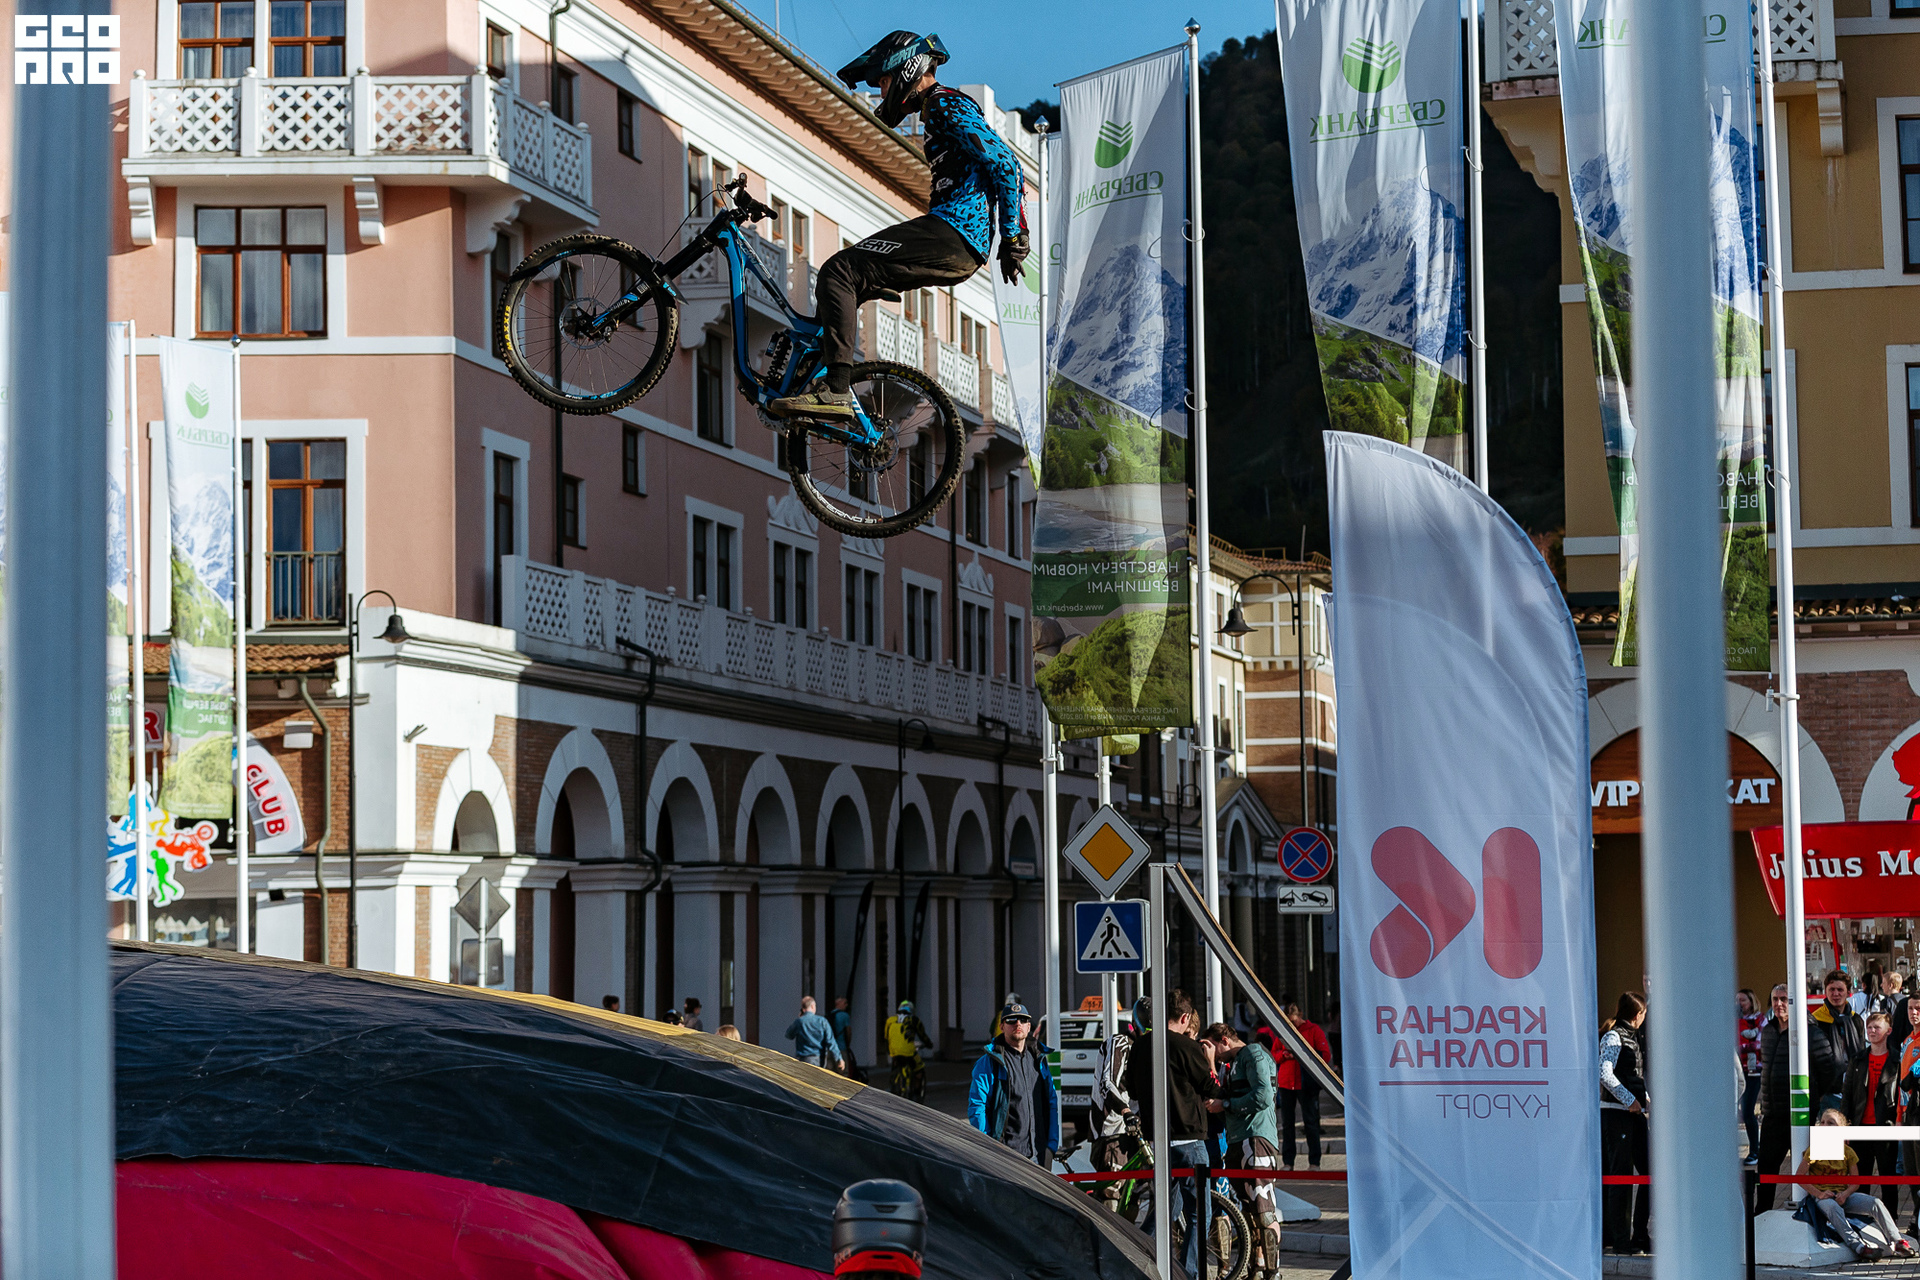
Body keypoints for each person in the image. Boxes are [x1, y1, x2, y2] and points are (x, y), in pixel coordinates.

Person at [770, 32, 1027, 420]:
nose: (882, 92)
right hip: (958, 240)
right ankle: (817, 379)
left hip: (953, 233)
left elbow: (1006, 164)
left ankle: (835, 390)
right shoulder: (940, 108)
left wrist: (1013, 236)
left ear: (907, 69)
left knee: (838, 271)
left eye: (884, 82)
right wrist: (1009, 236)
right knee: (844, 283)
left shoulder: (944, 104)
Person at [1124, 988, 1224, 1279]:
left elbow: (1132, 1090)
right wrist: (1211, 1060)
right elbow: (1211, 1088)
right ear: (1184, 1018)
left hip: (1159, 1141)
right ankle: (1189, 1274)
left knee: (1165, 1210)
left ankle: (1135, 1261)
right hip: (1189, 1140)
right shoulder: (1186, 1046)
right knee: (1198, 1214)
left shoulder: (1140, 1046)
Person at [1204, 1023, 1282, 1280]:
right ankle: (1256, 1268)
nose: (1216, 1055)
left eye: (1214, 1047)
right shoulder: (1235, 1063)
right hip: (1238, 1139)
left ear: (1224, 1040)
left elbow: (1263, 1095)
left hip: (1256, 1137)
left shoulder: (1253, 1053)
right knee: (1248, 1211)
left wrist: (1226, 1104)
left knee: (1263, 1210)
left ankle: (1273, 1272)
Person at [1797, 1109, 1914, 1260]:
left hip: (1843, 1195)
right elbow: (1800, 1176)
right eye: (1823, 1122)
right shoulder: (1814, 1149)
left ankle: (1897, 1241)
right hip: (1823, 1198)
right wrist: (1819, 1194)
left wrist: (1845, 1194)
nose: (1825, 1125)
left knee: (1875, 1203)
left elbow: (1856, 1181)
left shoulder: (1848, 1152)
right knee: (1832, 1207)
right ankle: (1858, 1246)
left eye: (1831, 1123)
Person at [967, 1001, 1057, 1167]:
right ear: (1002, 1026)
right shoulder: (989, 1063)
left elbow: (1051, 1103)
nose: (1018, 1024)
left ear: (1029, 1027)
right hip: (1006, 1156)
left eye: (1023, 1020)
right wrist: (988, 1145)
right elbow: (977, 1107)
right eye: (1011, 1020)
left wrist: (1051, 1146)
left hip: (1038, 1154)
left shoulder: (1039, 1059)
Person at [1600, 992, 1651, 1255]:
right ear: (1637, 1015)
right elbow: (1605, 1073)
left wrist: (1645, 1098)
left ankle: (1640, 1234)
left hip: (1634, 1114)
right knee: (1620, 1177)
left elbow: (1634, 1074)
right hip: (1616, 1114)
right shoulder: (1614, 1036)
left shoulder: (1634, 1037)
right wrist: (1629, 1099)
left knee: (1649, 1172)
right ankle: (1620, 1240)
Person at [1088, 999, 1144, 1210]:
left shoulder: (1150, 1047)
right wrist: (1125, 1110)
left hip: (1139, 1129)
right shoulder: (1120, 1042)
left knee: (1135, 1195)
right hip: (1113, 1129)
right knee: (1111, 1194)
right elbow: (1108, 1082)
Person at [1848, 1012, 1903, 1215]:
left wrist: (1898, 1121)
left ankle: (1891, 1221)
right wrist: (1845, 1126)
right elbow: (1848, 1094)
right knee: (1861, 1178)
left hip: (1885, 1127)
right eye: (1869, 1027)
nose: (1871, 1031)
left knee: (1888, 1178)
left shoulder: (1897, 1060)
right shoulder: (1858, 1059)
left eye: (1876, 1027)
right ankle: (1860, 1219)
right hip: (1860, 1127)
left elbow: (1900, 1095)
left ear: (1888, 1031)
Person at [1273, 999, 1332, 1171]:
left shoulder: (1313, 1030)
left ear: (1300, 1016)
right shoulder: (1283, 1031)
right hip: (1286, 1082)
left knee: (1310, 1122)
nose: (1292, 1025)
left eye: (1294, 1022)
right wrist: (1284, 1055)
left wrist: (1304, 1056)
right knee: (1287, 1124)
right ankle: (1288, 1162)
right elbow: (1274, 1053)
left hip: (1305, 1083)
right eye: (1288, 1022)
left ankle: (1314, 1162)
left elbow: (1325, 1055)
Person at [1756, 984, 1795, 1211]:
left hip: (1802, 1113)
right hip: (1772, 1114)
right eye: (1775, 999)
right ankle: (1761, 1216)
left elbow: (1826, 1067)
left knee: (1814, 1167)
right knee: (1766, 1169)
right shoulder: (1768, 1030)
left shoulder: (1808, 1029)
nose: (1779, 1004)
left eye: (1784, 999)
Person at [1814, 970, 1867, 1114]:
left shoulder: (1856, 1020)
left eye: (1840, 990)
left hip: (1853, 1088)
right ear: (1825, 991)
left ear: (1848, 993)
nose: (1835, 994)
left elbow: (1862, 1052)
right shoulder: (1815, 1020)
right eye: (1831, 989)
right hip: (1827, 1091)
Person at [1898, 997, 1920, 1231]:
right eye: (1911, 1008)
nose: (1914, 1012)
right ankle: (1916, 1216)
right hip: (1906, 1114)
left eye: (1918, 1008)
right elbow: (1900, 1085)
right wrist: (1898, 1117)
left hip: (1919, 1114)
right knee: (1911, 1170)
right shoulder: (1907, 1041)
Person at [884, 999, 933, 1102]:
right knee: (919, 1069)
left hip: (894, 1052)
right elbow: (922, 1035)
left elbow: (886, 1037)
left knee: (895, 1066)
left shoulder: (890, 1020)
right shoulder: (913, 1020)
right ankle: (917, 1093)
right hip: (909, 1052)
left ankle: (894, 1085)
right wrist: (929, 1044)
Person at [1738, 988, 1765, 1164]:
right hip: (1736, 1069)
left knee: (1748, 1109)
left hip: (1753, 1070)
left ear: (1751, 1001)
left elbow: (1759, 1044)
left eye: (1743, 1000)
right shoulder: (1732, 1020)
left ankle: (1755, 1151)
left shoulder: (1760, 1020)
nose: (1739, 1004)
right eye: (1737, 1000)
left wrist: (1740, 1047)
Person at [784, 996, 845, 1072]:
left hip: (804, 1058)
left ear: (803, 1008)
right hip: (819, 1059)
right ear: (812, 1006)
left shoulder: (799, 1021)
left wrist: (799, 1018)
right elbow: (831, 1042)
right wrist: (839, 1058)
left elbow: (789, 1035)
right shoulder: (822, 1021)